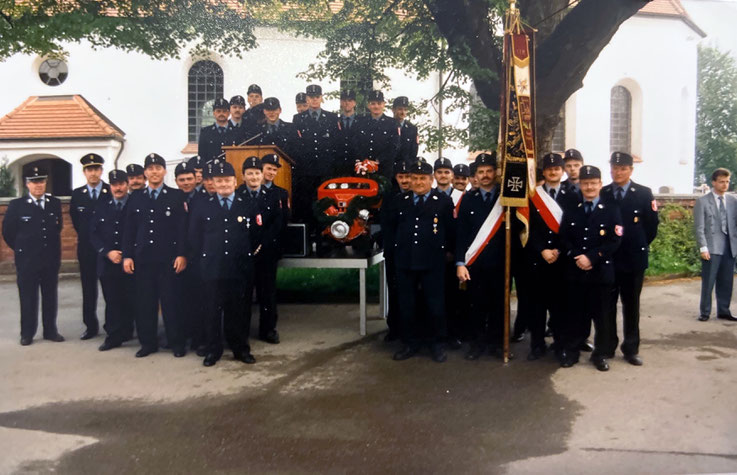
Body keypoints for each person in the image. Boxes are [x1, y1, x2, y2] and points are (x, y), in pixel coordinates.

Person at [384, 159, 455, 363]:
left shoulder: (442, 201)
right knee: (407, 303)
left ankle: (436, 344)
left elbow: (450, 231)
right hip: (405, 260)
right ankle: (410, 343)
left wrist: (449, 252)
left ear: (431, 180)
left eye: (423, 178)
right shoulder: (400, 201)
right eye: (414, 178)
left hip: (433, 261)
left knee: (435, 303)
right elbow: (391, 230)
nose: (418, 182)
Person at [189, 160, 258, 366]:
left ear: (235, 181)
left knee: (237, 312)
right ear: (213, 183)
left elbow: (254, 233)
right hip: (212, 268)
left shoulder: (246, 204)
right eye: (219, 181)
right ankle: (213, 350)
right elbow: (194, 237)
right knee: (211, 312)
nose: (224, 185)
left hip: (238, 268)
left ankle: (240, 349)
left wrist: (247, 255)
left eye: (227, 180)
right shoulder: (203, 206)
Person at [123, 153, 188, 358]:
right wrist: (127, 256)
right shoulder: (136, 197)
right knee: (145, 303)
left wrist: (182, 254)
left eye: (158, 168)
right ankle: (148, 343)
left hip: (168, 259)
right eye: (150, 168)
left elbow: (182, 230)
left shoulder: (176, 196)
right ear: (145, 173)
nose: (154, 172)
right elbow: (129, 230)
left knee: (171, 303)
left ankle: (176, 343)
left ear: (164, 171)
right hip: (143, 260)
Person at [559, 165, 622, 371]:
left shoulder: (611, 210)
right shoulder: (572, 210)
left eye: (593, 183)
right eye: (585, 184)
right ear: (580, 185)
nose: (589, 187)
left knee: (602, 316)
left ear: (600, 185)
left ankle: (600, 354)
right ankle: (572, 351)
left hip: (600, 272)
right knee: (575, 314)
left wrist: (592, 257)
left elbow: (615, 241)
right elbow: (564, 238)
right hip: (575, 271)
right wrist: (577, 256)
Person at [601, 151, 659, 366]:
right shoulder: (604, 192)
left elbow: (651, 227)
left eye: (623, 168)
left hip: (633, 259)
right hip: (609, 258)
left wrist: (639, 245)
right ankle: (607, 346)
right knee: (607, 304)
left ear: (631, 170)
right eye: (615, 168)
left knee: (631, 304)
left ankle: (631, 348)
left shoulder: (644, 193)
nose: (618, 172)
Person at [524, 153, 578, 360]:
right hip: (539, 259)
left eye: (557, 168)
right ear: (544, 172)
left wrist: (559, 250)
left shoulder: (573, 195)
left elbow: (573, 228)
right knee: (537, 305)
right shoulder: (532, 196)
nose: (553, 171)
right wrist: (541, 250)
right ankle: (536, 345)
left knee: (561, 306)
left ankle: (560, 344)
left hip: (562, 260)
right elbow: (527, 228)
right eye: (549, 169)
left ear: (562, 171)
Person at [2, 166, 64, 346]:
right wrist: (22, 249)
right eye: (34, 182)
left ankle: (50, 330)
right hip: (27, 260)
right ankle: (27, 333)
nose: (38, 185)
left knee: (50, 296)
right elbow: (8, 232)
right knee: (28, 297)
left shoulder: (54, 203)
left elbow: (57, 229)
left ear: (45, 182)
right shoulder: (17, 205)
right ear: (27, 184)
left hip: (50, 259)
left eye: (41, 181)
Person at [456, 153, 506, 360]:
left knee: (498, 305)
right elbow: (461, 234)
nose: (485, 175)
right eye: (481, 172)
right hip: (475, 263)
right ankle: (477, 344)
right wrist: (460, 262)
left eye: (489, 171)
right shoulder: (468, 199)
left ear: (495, 172)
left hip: (500, 262)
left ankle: (496, 343)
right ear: (475, 176)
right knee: (476, 304)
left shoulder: (506, 197)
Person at [237, 156, 285, 343]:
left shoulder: (272, 196)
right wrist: (247, 246)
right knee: (244, 294)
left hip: (266, 252)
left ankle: (268, 330)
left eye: (257, 173)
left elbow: (277, 222)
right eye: (250, 173)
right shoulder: (237, 195)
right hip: (243, 253)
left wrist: (262, 244)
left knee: (267, 293)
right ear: (243, 176)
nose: (254, 177)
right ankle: (242, 332)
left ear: (261, 174)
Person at [90, 169, 135, 351]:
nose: (118, 188)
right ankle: (113, 336)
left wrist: (127, 253)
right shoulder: (102, 206)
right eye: (115, 184)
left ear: (127, 184)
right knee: (112, 300)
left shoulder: (135, 204)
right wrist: (107, 252)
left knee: (131, 298)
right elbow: (93, 234)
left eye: (122, 184)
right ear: (110, 186)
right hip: (108, 263)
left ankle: (129, 330)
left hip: (130, 261)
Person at [70, 153, 111, 340]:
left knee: (110, 289)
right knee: (88, 290)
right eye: (89, 170)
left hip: (108, 250)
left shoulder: (110, 191)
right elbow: (77, 222)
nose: (93, 173)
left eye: (96, 169)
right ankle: (90, 326)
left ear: (102, 170)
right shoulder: (77, 195)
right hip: (86, 250)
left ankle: (113, 325)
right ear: (84, 172)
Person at [292, 84, 339, 229]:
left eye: (317, 97)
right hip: (306, 170)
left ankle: (325, 236)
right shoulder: (298, 119)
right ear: (306, 98)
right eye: (311, 97)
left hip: (325, 169)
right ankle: (309, 235)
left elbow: (336, 143)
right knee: (307, 203)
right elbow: (297, 144)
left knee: (326, 203)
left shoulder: (331, 117)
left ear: (321, 98)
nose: (314, 100)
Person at [694, 168, 737, 322]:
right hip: (712, 246)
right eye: (721, 182)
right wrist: (703, 247)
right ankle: (705, 312)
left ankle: (724, 310)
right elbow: (699, 227)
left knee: (727, 280)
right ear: (714, 182)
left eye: (727, 182)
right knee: (709, 280)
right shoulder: (703, 201)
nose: (725, 185)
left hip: (730, 245)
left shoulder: (733, 200)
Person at [352, 90, 400, 180]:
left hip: (383, 169)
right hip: (363, 168)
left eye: (379, 103)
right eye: (373, 103)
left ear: (383, 104)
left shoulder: (392, 123)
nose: (376, 106)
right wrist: (365, 161)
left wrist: (377, 161)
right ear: (368, 105)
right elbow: (355, 143)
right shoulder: (360, 122)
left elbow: (394, 146)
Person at [198, 97, 231, 163]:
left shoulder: (236, 131)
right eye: (218, 111)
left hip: (231, 170)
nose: (221, 114)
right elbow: (202, 155)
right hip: (212, 170)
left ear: (229, 113)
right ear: (214, 113)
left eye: (224, 111)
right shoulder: (205, 132)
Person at [335, 89, 359, 175]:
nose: (347, 103)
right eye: (344, 100)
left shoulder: (362, 121)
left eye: (350, 100)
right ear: (341, 102)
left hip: (357, 165)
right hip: (339, 165)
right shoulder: (334, 121)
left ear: (354, 103)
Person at [392, 96, 418, 165]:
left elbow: (413, 151)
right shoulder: (386, 125)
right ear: (393, 110)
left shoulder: (412, 129)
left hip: (405, 168)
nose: (403, 112)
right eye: (400, 109)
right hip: (389, 167)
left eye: (405, 110)